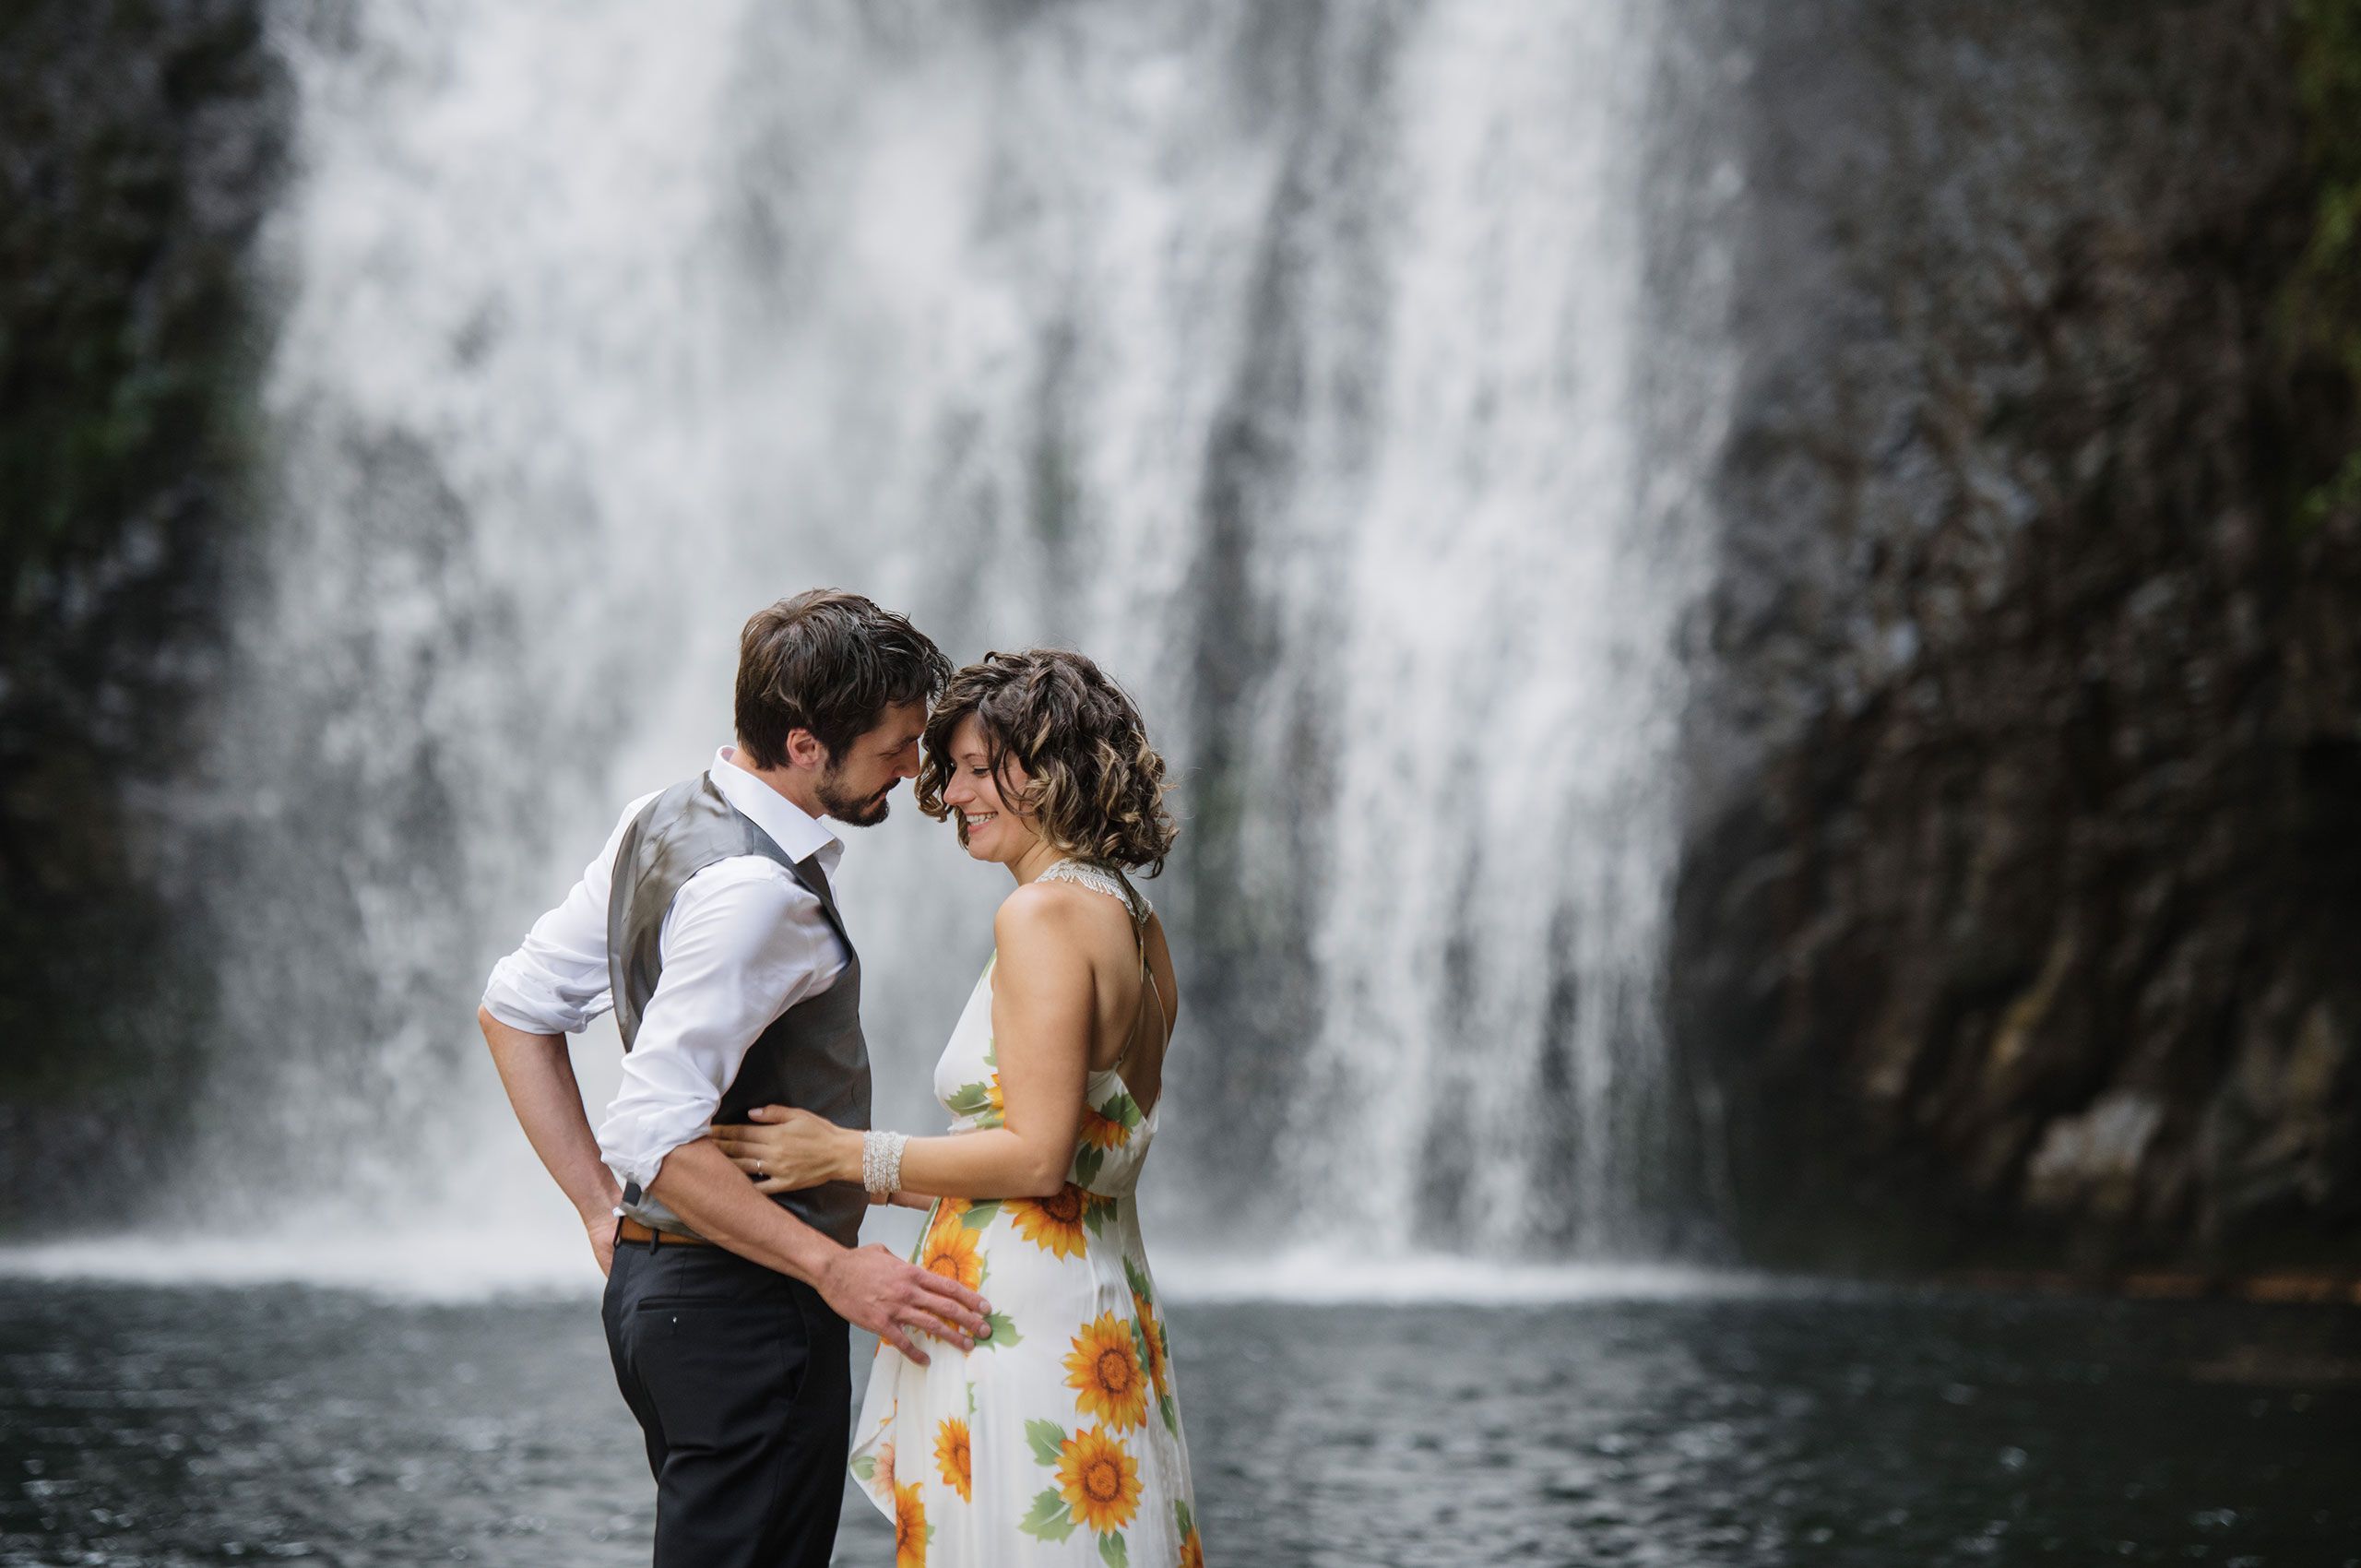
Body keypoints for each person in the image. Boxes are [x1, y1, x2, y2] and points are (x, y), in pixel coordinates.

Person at [477, 589, 991, 1568]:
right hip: (749, 1312)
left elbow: (512, 1006)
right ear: (806, 746)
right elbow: (654, 1135)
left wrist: (604, 1215)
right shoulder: (758, 895)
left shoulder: (661, 815)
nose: (916, 769)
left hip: (665, 1295)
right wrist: (834, 1268)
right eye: (895, 746)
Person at [713, 647, 1204, 1568]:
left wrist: (844, 1155)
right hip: (1094, 1297)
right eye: (955, 769)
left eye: (984, 769)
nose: (956, 793)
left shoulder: (1042, 916)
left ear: (1057, 766)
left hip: (1011, 1316)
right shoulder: (1133, 918)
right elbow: (1087, 1147)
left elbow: (1034, 1158)